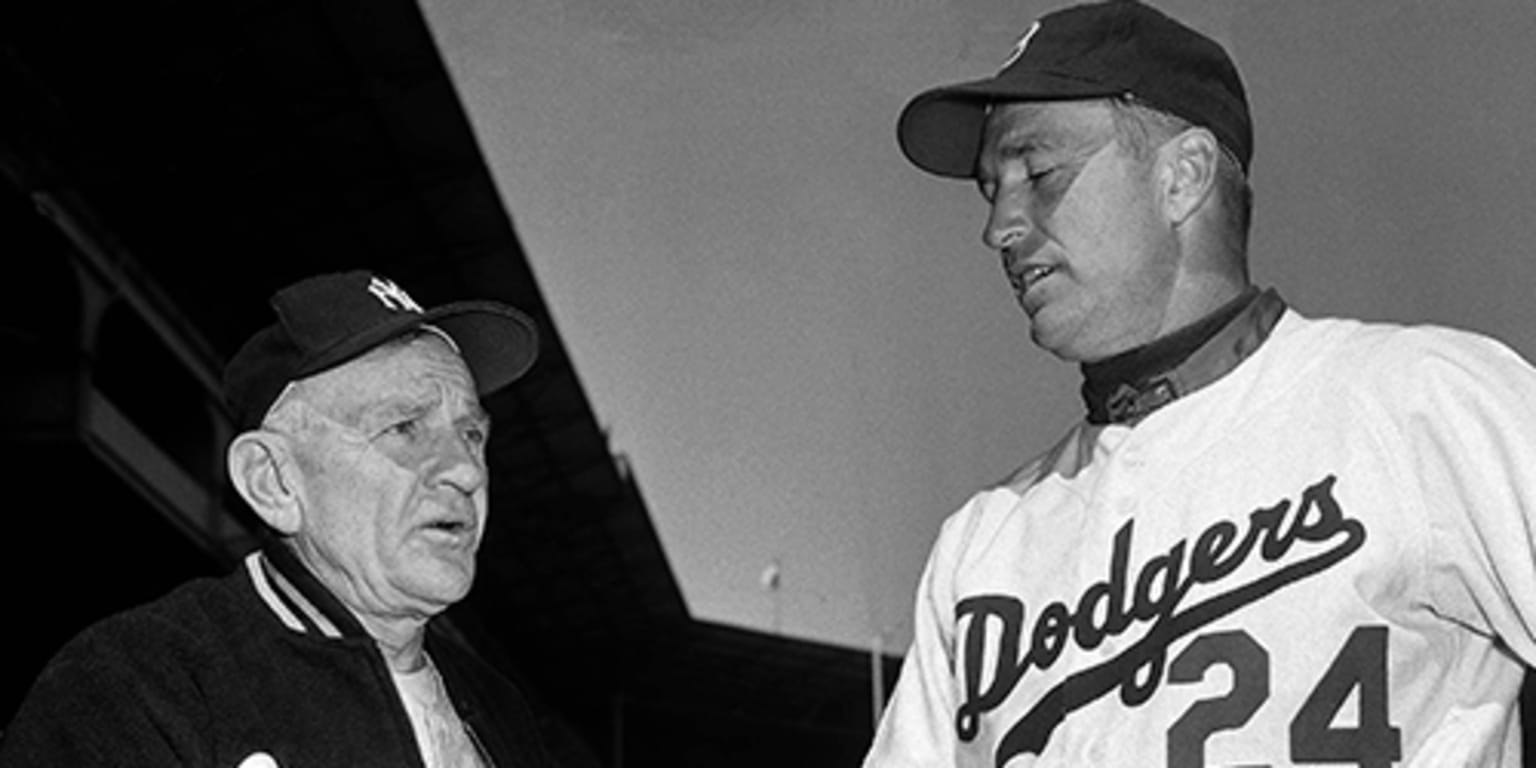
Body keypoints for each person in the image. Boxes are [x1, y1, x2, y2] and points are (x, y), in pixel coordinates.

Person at [865, 2, 1536, 766]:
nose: (1001, 226)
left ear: (1182, 177)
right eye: (993, 189)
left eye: (1040, 173)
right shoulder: (984, 545)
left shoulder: (1422, 405)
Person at [0, 270, 558, 767]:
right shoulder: (135, 686)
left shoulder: (500, 709)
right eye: (404, 427)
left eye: (471, 433)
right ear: (273, 481)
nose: (465, 469)